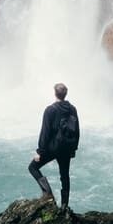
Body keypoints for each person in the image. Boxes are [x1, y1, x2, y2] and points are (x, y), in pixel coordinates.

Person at [28, 82, 80, 210]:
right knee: (64, 175)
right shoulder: (73, 109)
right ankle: (64, 206)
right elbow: (77, 131)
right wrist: (73, 149)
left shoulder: (50, 110)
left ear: (55, 93)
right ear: (65, 94)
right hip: (67, 148)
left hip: (53, 148)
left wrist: (40, 152)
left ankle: (48, 194)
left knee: (33, 167)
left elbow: (45, 132)